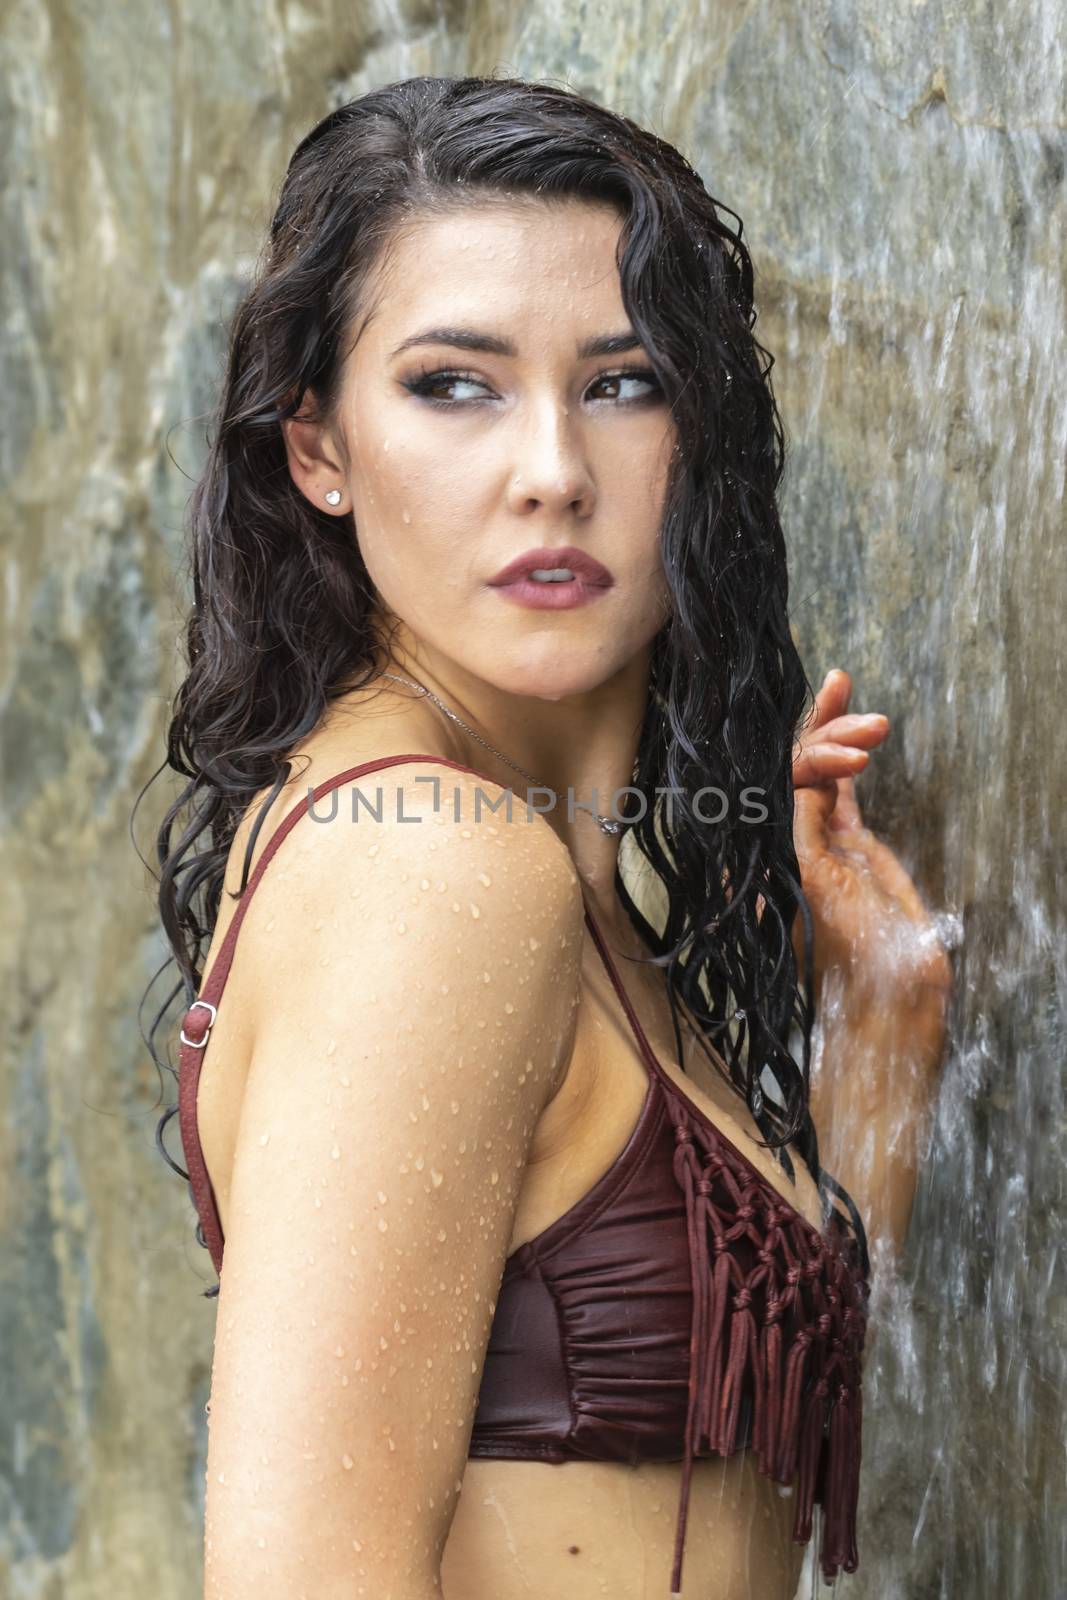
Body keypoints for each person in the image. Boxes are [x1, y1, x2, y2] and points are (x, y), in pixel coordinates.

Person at [144, 74, 953, 1600]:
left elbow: (747, 1465)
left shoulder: (525, 859)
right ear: (318, 448)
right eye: (454, 385)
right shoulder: (436, 871)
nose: (553, 474)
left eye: (625, 381)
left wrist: (883, 1027)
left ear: (696, 438)